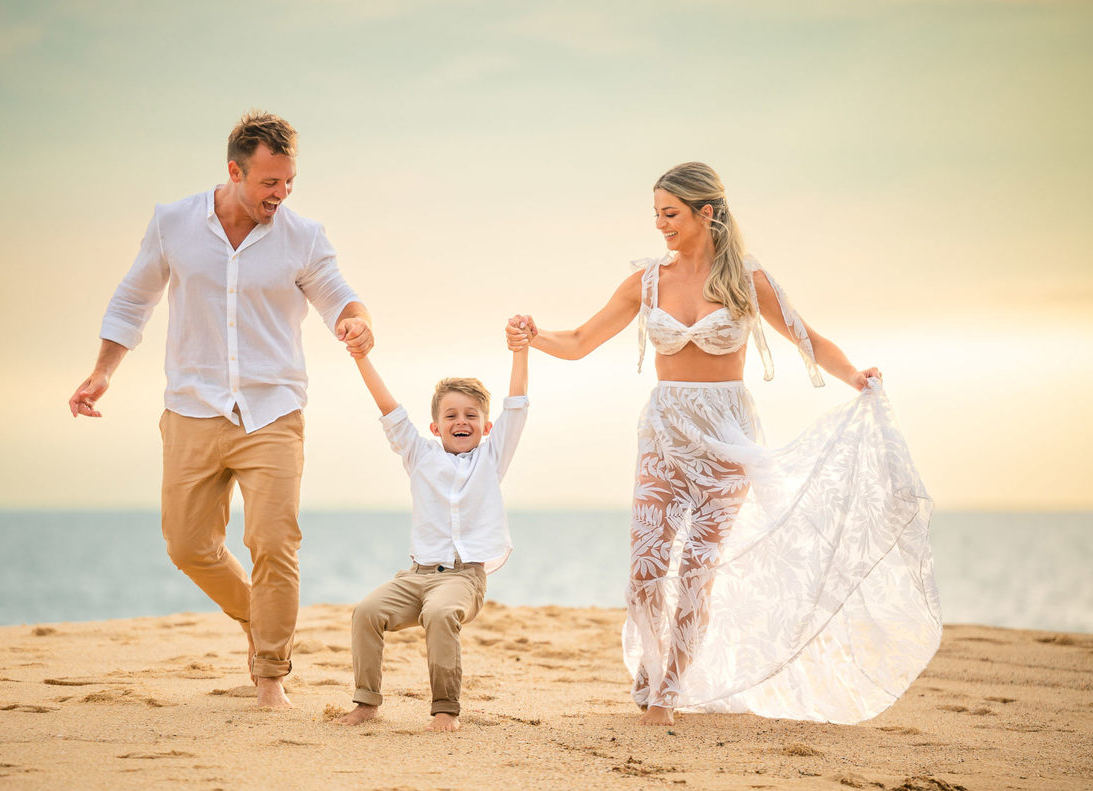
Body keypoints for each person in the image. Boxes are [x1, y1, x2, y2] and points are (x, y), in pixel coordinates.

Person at [506, 162, 940, 726]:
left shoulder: (746, 279)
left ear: (705, 212)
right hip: (665, 433)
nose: (660, 225)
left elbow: (808, 338)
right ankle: (651, 666)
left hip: (727, 437)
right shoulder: (647, 281)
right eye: (656, 214)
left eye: (670, 214)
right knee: (645, 571)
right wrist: (533, 335)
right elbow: (581, 339)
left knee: (696, 573)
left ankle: (668, 691)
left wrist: (856, 376)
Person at [67, 110, 373, 710]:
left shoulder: (304, 236)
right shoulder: (173, 223)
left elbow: (340, 295)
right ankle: (258, 617)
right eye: (269, 182)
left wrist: (356, 321)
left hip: (273, 411)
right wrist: (103, 372)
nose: (281, 194)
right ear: (234, 172)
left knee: (274, 543)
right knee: (187, 546)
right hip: (192, 408)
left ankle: (270, 676)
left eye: (289, 182)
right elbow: (133, 300)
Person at [335, 336, 529, 732]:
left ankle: (445, 710)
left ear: (486, 426)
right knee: (367, 612)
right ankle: (366, 703)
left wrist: (520, 350)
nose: (461, 422)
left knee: (439, 614)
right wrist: (361, 357)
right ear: (435, 426)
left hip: (463, 577)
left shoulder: (492, 457)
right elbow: (389, 409)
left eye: (471, 415)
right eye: (451, 415)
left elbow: (517, 405)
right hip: (416, 575)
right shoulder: (419, 454)